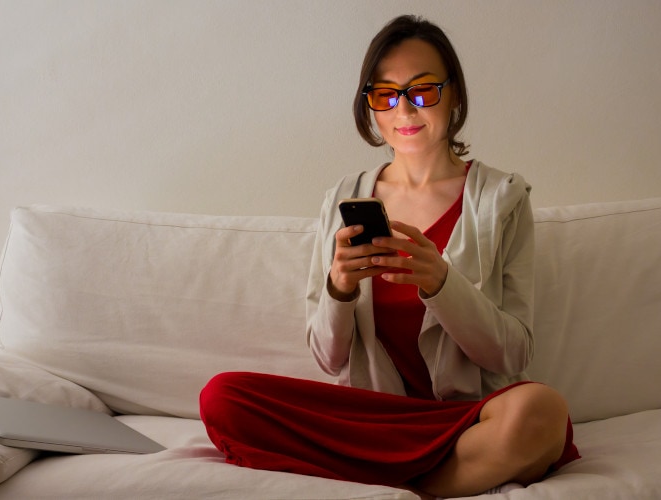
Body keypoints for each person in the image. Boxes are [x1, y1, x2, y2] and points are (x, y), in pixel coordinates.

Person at [200, 15, 579, 498]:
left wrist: (442, 282)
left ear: (455, 94)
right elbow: (327, 357)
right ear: (371, 107)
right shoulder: (343, 199)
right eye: (385, 94)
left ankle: (402, 486)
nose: (405, 109)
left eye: (423, 90)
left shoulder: (502, 199)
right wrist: (339, 288)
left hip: (464, 420)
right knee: (223, 397)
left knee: (541, 413)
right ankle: (438, 479)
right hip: (373, 421)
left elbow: (513, 352)